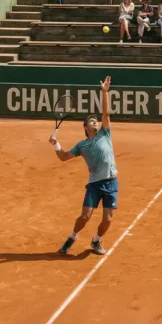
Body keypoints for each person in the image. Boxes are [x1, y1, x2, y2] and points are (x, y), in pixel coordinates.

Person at [52, 76, 118, 256]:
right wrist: (56, 145)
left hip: (111, 182)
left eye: (95, 120)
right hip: (95, 184)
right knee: (85, 216)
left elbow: (106, 114)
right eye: (91, 121)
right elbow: (64, 157)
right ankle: (72, 237)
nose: (95, 122)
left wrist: (105, 93)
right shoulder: (81, 145)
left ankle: (96, 240)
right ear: (85, 127)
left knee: (108, 218)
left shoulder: (105, 133)